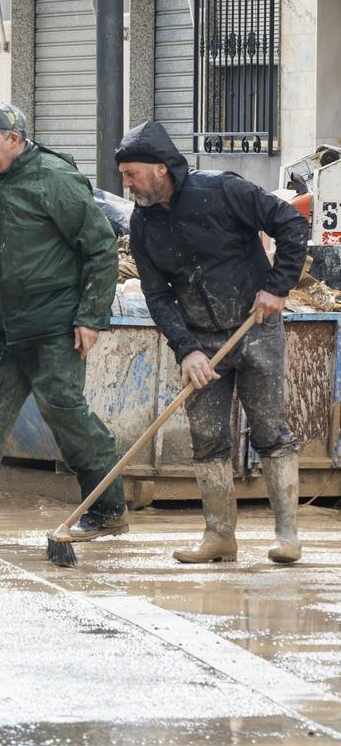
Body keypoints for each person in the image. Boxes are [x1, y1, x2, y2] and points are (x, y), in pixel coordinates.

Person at [0, 103, 128, 545]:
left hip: (54, 325)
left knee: (67, 416)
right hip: (0, 324)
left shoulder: (56, 179)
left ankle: (108, 509)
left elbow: (101, 248)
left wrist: (91, 317)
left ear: (15, 140)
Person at [117, 121, 309, 564]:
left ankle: (287, 536)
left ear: (160, 169)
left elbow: (290, 225)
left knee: (270, 431)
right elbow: (157, 294)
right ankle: (219, 534)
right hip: (202, 341)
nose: (125, 184)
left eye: (131, 174)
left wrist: (279, 287)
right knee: (206, 437)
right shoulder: (144, 224)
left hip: (255, 327)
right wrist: (186, 349)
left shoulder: (223, 191)